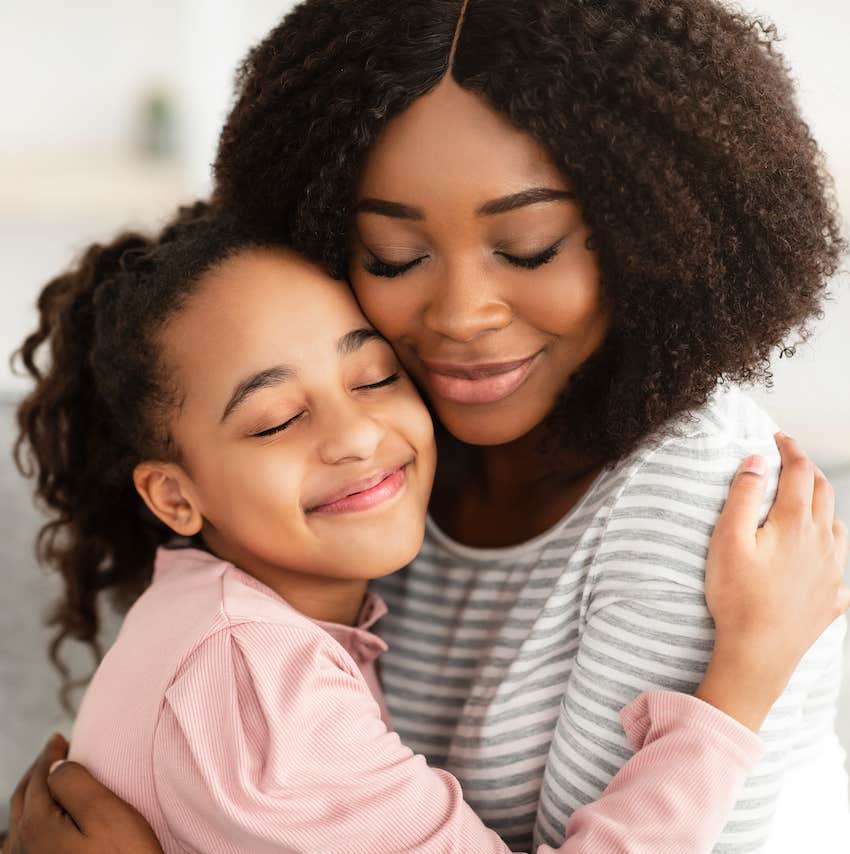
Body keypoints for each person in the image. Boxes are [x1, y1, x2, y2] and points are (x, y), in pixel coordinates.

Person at [6, 0, 850, 851]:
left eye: (526, 248)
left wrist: (742, 681)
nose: (460, 317)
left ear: (647, 232)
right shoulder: (363, 500)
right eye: (394, 259)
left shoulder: (711, 513)